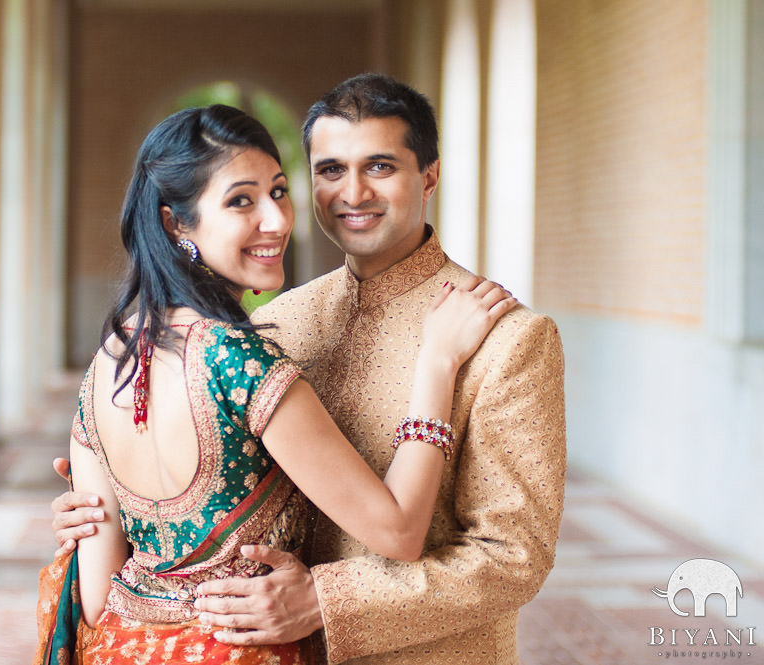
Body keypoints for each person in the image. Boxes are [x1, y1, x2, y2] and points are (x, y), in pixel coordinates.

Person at [51, 74, 566, 665]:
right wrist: (111, 508)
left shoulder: (508, 339)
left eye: (380, 167)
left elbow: (511, 558)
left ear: (429, 175)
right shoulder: (279, 321)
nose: (353, 192)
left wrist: (326, 601)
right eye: (329, 171)